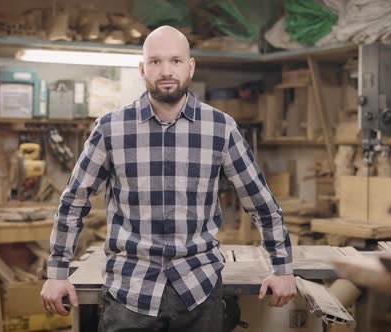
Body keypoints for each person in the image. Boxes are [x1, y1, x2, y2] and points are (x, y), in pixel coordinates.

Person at [40, 25, 297, 332]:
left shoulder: (220, 128)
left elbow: (261, 203)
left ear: (190, 67)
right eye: (155, 61)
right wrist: (57, 272)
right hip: (130, 292)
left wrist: (282, 268)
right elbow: (74, 201)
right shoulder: (110, 129)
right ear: (142, 68)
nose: (166, 70)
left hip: (198, 291)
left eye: (175, 61)